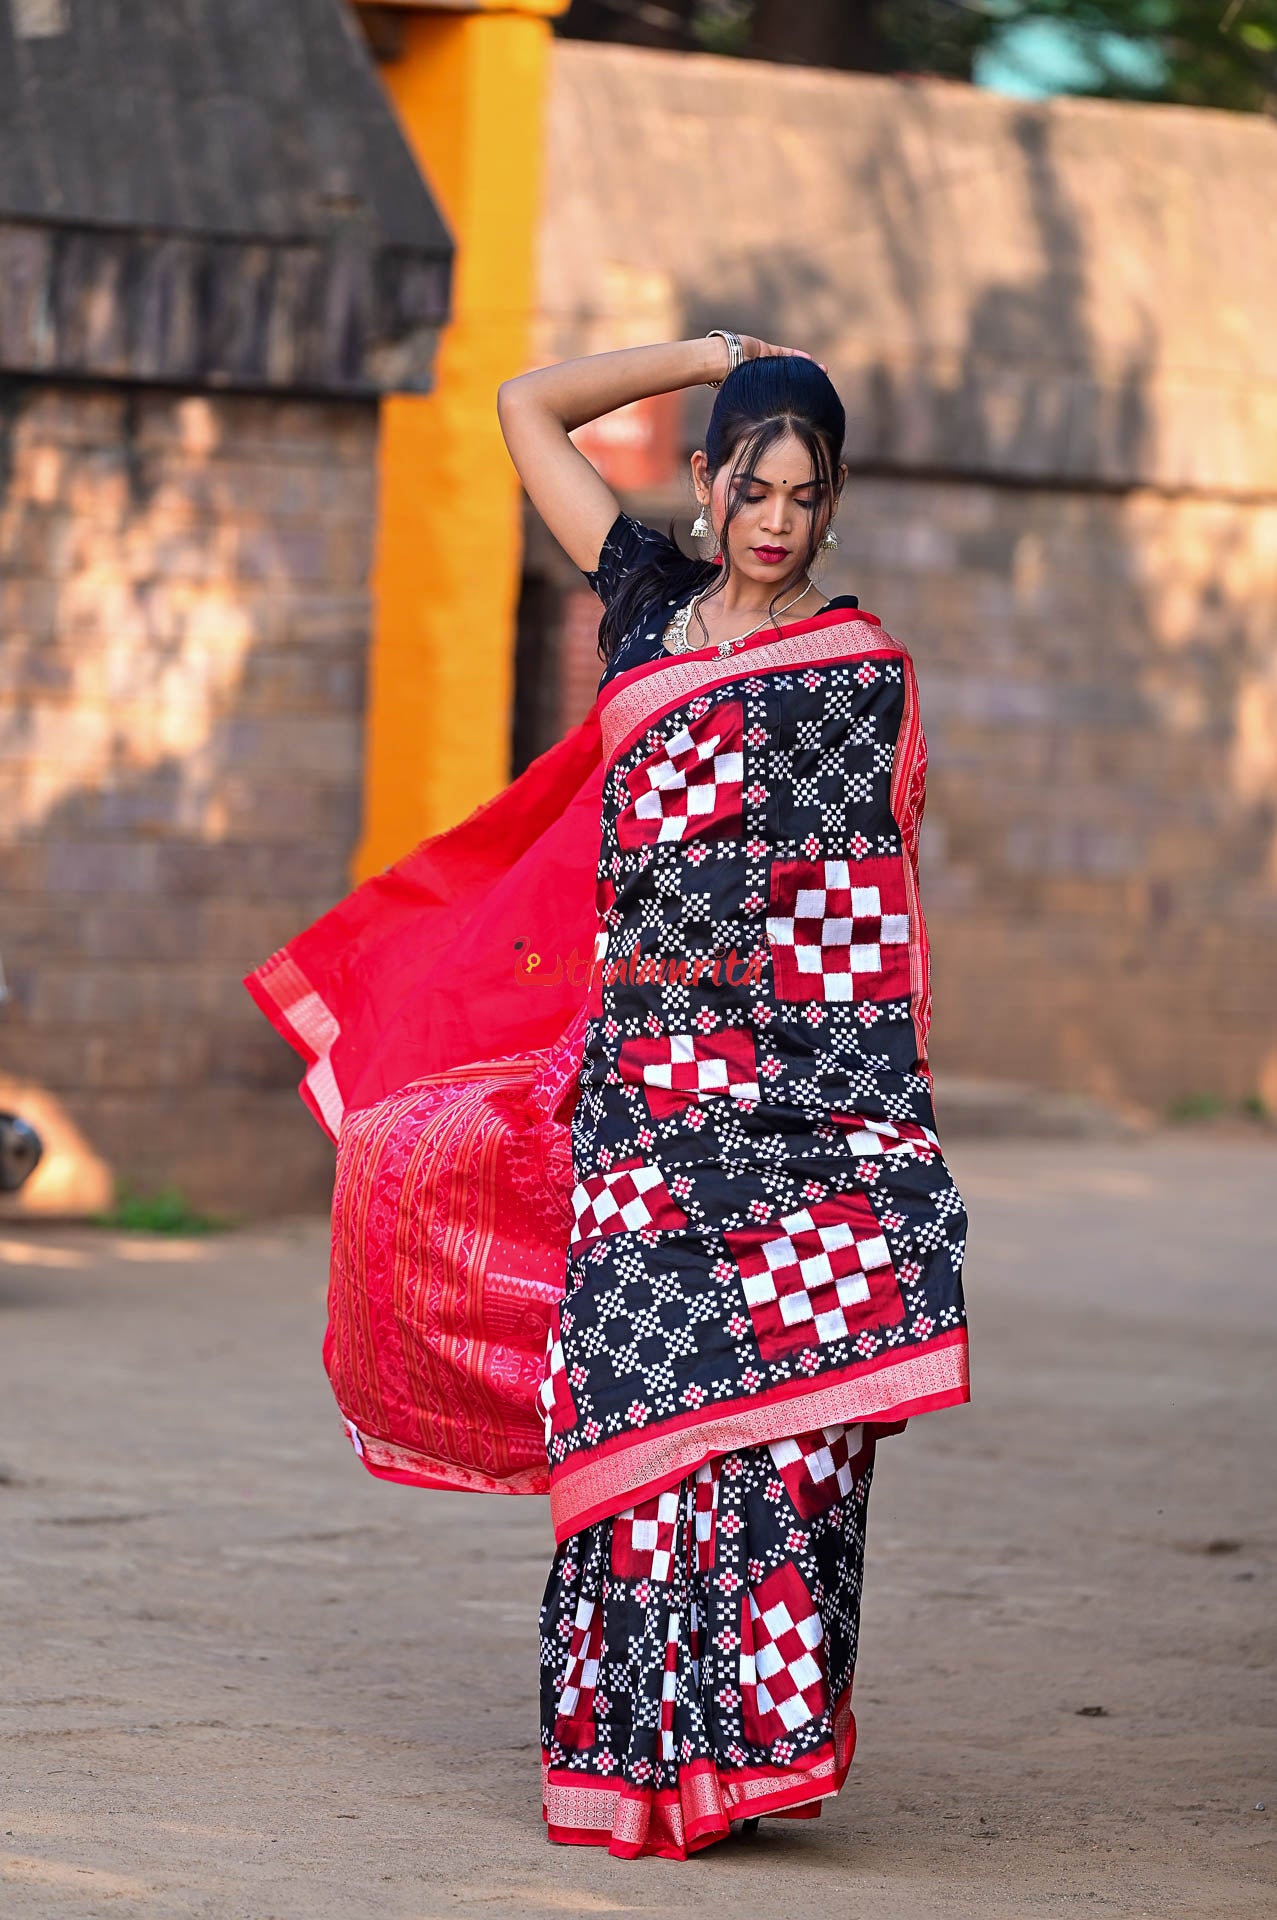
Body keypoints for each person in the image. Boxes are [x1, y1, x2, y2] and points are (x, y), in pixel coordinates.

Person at [247, 331, 970, 1862]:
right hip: (639, 1104)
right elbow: (522, 407)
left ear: (832, 507)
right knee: (635, 1415)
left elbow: (865, 925)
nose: (776, 519)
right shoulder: (643, 604)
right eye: (752, 483)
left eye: (806, 493)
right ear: (704, 483)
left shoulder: (851, 670)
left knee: (787, 1433)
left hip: (791, 1103)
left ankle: (754, 1758)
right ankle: (632, 1764)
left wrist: (876, 1124)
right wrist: (712, 353)